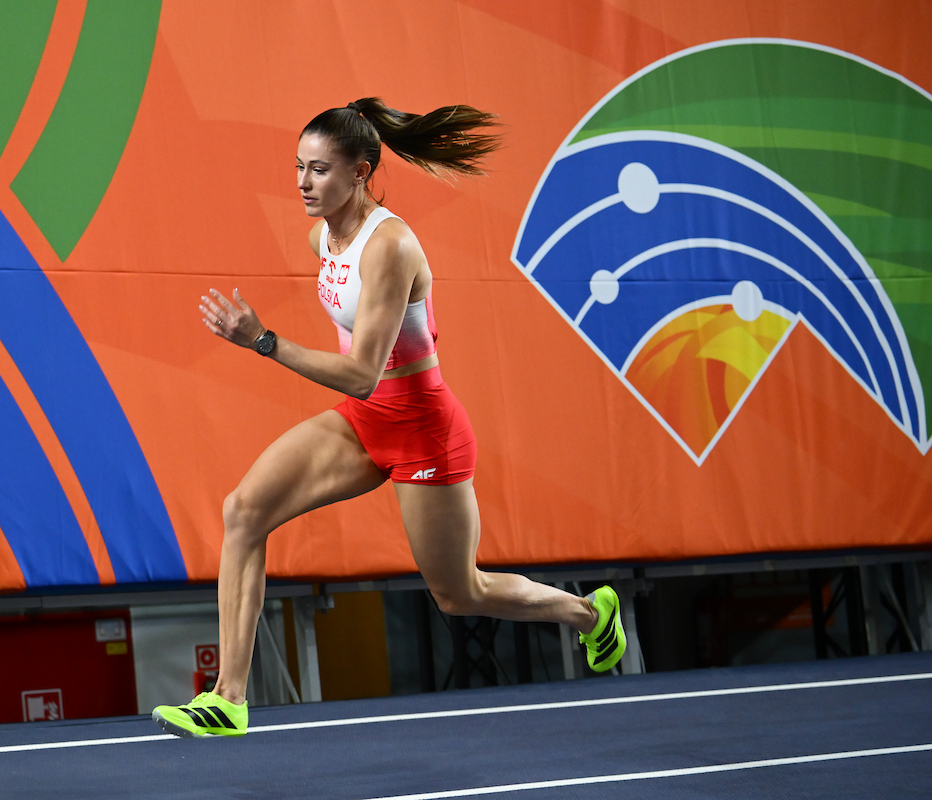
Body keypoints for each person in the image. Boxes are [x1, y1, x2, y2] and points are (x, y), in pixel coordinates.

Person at [152, 98, 626, 738]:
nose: (302, 182)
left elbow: (363, 372)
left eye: (319, 170)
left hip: (424, 427)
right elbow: (363, 373)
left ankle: (589, 615)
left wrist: (263, 341)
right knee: (243, 512)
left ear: (360, 172)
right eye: (298, 167)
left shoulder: (392, 244)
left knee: (459, 595)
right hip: (365, 422)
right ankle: (229, 698)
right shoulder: (322, 235)